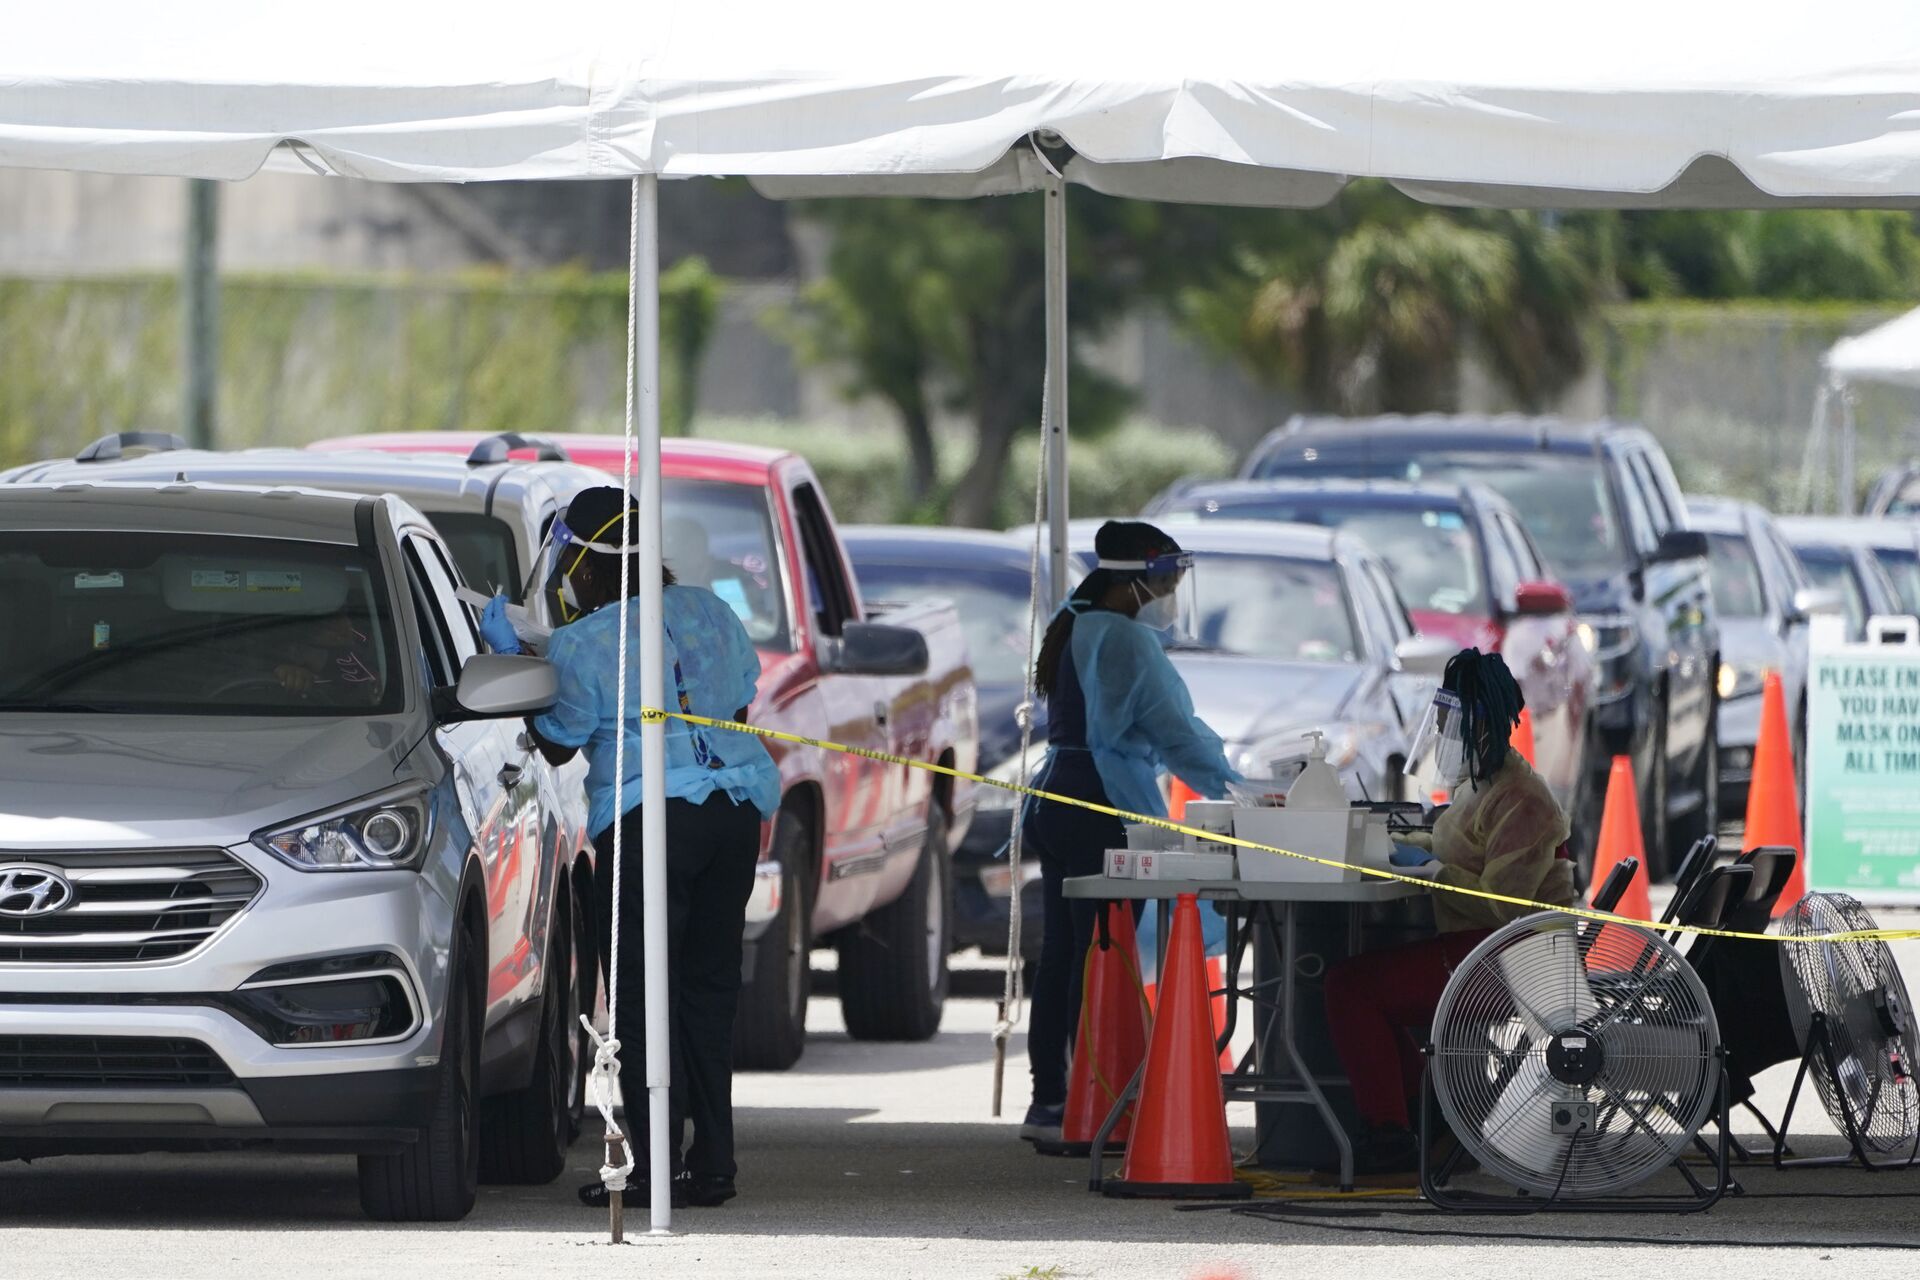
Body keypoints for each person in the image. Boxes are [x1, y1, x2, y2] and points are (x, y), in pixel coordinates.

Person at [505, 487, 780, 1209]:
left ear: (582, 568)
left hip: (650, 822)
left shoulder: (583, 641)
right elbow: (740, 706)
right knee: (710, 991)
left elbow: (558, 747)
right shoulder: (711, 611)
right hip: (733, 816)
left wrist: (525, 673)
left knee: (639, 997)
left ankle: (656, 1169)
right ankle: (713, 1164)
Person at [1020, 520, 1239, 1142]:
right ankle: (1099, 1096)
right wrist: (1242, 787)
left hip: (1057, 798)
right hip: (1099, 805)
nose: (1172, 591)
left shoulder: (1078, 622)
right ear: (1134, 582)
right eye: (1168, 578)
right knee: (1101, 960)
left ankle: (1052, 1102)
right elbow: (1176, 732)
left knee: (1067, 955)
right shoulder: (1123, 640)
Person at [1322, 648, 1575, 1175]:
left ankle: (1393, 1134)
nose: (1440, 730)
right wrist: (1396, 841)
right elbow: (1456, 842)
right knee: (1362, 981)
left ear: (1476, 724)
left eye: (1447, 720)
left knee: (1352, 988)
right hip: (1488, 951)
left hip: (1508, 961)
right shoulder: (1484, 781)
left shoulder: (1520, 799)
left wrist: (1430, 871)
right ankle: (1426, 1121)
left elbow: (1499, 903)